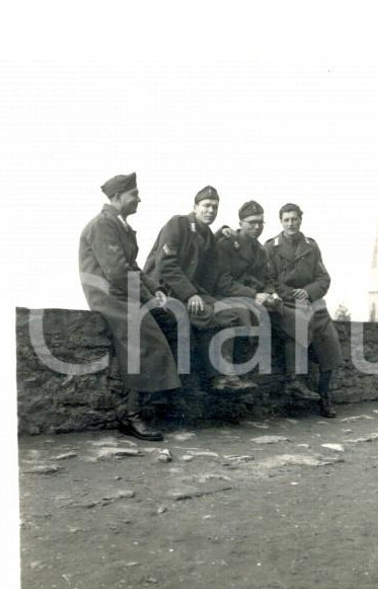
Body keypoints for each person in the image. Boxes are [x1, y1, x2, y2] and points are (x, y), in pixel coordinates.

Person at [79, 172, 180, 441]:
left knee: (170, 321)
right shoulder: (103, 224)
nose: (138, 199)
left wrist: (156, 289)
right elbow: (117, 272)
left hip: (122, 292)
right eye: (133, 194)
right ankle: (131, 415)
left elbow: (133, 267)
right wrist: (147, 299)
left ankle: (155, 404)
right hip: (108, 295)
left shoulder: (119, 224)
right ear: (116, 197)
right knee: (145, 338)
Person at [144, 186, 256, 392]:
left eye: (215, 207)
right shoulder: (178, 224)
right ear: (195, 207)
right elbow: (166, 265)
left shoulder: (209, 237)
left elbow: (215, 276)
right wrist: (191, 294)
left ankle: (227, 374)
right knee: (205, 314)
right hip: (163, 290)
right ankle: (219, 376)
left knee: (231, 312)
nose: (211, 210)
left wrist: (252, 295)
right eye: (206, 206)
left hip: (190, 291)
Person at [264, 203, 342, 417]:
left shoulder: (311, 246)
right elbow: (268, 280)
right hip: (286, 302)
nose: (291, 223)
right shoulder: (271, 247)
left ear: (300, 220)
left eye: (294, 219)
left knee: (329, 343)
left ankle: (325, 396)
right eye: (286, 219)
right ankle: (295, 383)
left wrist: (307, 292)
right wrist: (291, 294)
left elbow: (323, 278)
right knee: (296, 327)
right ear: (281, 221)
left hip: (311, 301)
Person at [214, 200, 281, 365]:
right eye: (252, 223)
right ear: (240, 223)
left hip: (251, 298)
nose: (257, 227)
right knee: (242, 314)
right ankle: (231, 370)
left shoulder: (261, 250)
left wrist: (272, 293)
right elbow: (223, 282)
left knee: (283, 313)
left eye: (260, 222)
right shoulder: (227, 244)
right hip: (224, 296)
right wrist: (254, 294)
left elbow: (268, 279)